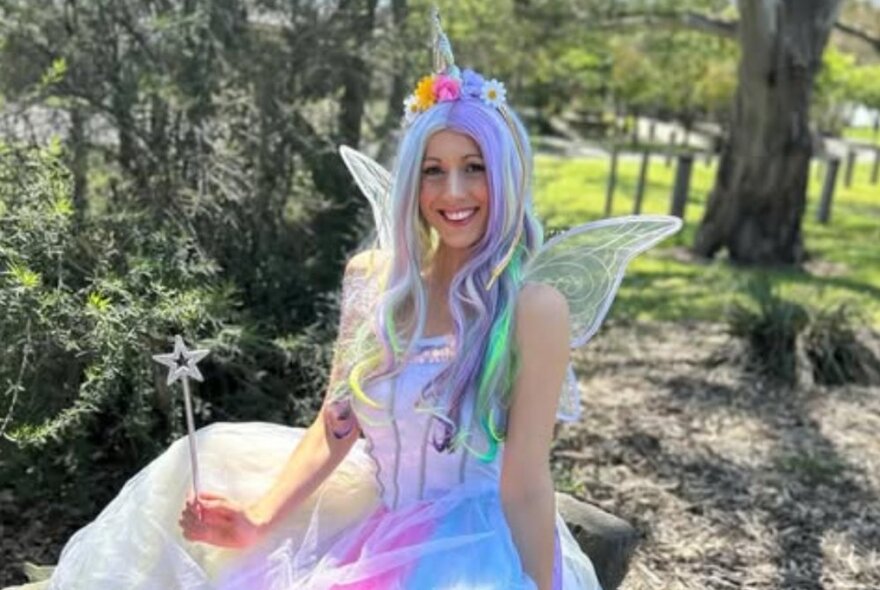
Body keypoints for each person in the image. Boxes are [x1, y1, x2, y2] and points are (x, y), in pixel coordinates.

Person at [23, 9, 681, 590]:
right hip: (374, 520)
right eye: (433, 169)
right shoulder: (374, 278)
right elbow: (335, 425)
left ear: (504, 176)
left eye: (474, 166)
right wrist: (257, 520)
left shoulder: (533, 307)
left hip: (477, 545)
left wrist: (544, 587)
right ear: (412, 183)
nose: (454, 191)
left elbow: (525, 482)